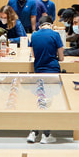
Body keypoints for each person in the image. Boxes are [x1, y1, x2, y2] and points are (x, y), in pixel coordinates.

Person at [27, 15, 64, 144]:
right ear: (51, 24)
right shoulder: (55, 35)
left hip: (38, 72)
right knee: (49, 102)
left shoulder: (34, 36)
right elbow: (61, 57)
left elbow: (33, 55)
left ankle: (33, 132)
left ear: (40, 25)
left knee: (39, 101)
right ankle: (46, 135)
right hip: (53, 72)